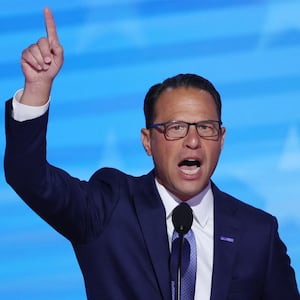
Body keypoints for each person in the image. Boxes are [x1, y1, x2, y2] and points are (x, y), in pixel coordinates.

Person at [4, 7, 299, 300]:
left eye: (206, 128)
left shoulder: (258, 233)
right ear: (147, 141)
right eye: (176, 128)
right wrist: (37, 89)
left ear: (221, 139)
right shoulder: (108, 208)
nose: (193, 141)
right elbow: (28, 176)